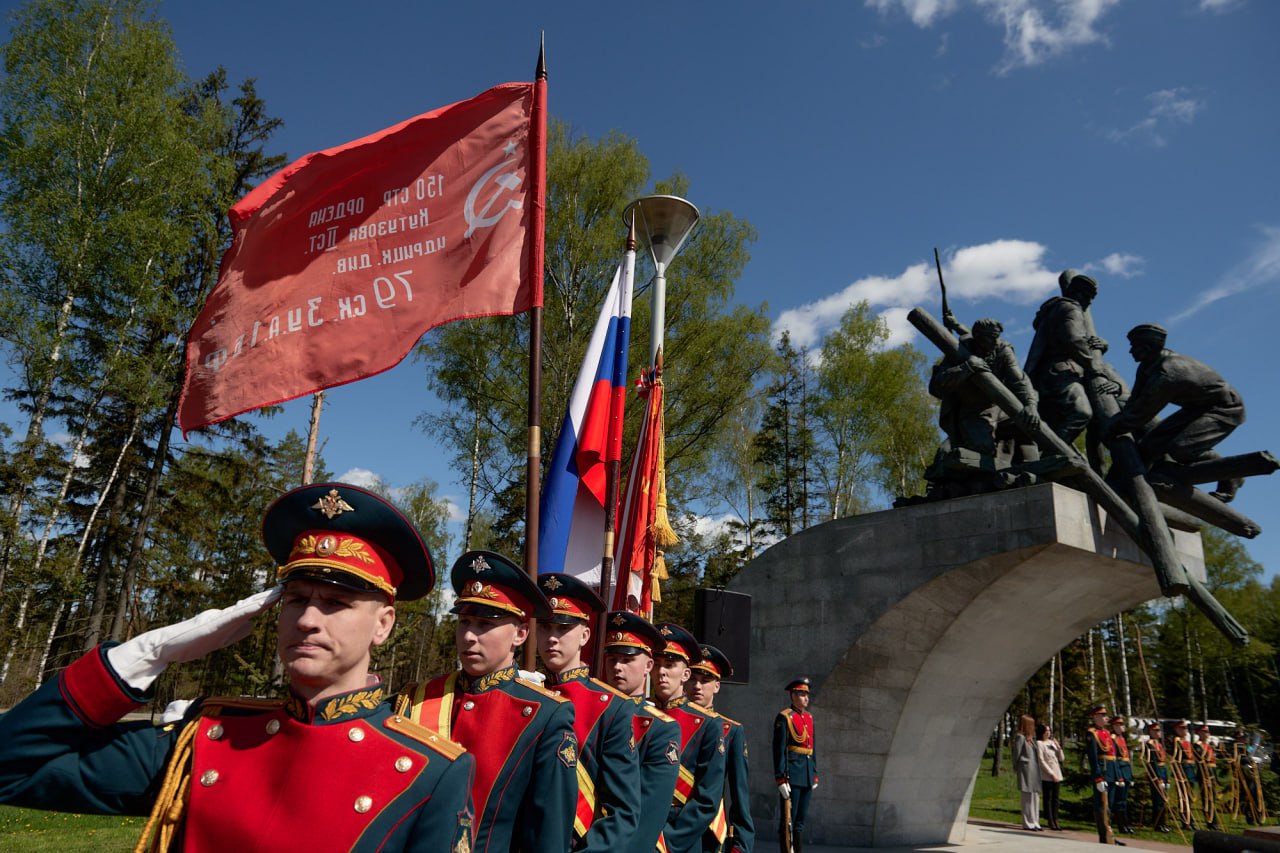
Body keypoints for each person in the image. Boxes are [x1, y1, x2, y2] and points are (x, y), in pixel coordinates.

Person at [0, 481, 475, 852]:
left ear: (383, 624)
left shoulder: (430, 770)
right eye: (296, 598)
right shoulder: (205, 740)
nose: (308, 620)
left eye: (335, 602)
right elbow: (10, 768)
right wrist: (145, 656)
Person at [399, 550, 578, 853]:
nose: (469, 635)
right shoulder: (417, 697)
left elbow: (547, 835)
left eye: (484, 624)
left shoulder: (545, 715)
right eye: (465, 621)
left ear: (520, 634)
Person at [535, 573, 641, 851]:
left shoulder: (611, 707)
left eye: (562, 628)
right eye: (545, 628)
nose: (552, 638)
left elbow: (622, 811)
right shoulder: (528, 695)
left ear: (584, 635)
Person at [1104, 324, 1247, 502]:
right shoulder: (1147, 365)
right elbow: (1136, 400)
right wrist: (1118, 419)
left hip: (1225, 408)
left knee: (1181, 449)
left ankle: (1231, 474)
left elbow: (1144, 411)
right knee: (1150, 443)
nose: (1130, 351)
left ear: (1147, 348)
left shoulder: (1169, 372)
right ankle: (1127, 484)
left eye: (1135, 347)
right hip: (1196, 407)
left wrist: (1113, 428)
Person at [601, 611, 682, 853]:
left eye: (626, 660)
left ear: (648, 665)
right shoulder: (594, 713)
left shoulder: (660, 727)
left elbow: (647, 814)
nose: (617, 667)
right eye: (612, 658)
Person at [653, 622, 729, 853]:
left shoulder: (708, 724)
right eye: (656, 664)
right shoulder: (637, 713)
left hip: (678, 839)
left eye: (669, 665)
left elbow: (707, 800)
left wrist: (667, 842)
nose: (662, 672)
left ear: (685, 674)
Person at [1024, 271, 1121, 444]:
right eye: (1087, 295)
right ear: (1076, 293)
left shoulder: (1057, 309)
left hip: (1054, 373)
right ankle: (1052, 454)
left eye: (1092, 297)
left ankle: (1055, 452)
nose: (1089, 301)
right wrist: (1094, 365)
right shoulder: (1070, 308)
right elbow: (1074, 340)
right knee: (1081, 412)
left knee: (1061, 420)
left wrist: (1100, 346)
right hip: (1062, 371)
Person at [688, 643, 755, 853]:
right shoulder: (668, 723)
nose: (697, 686)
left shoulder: (731, 731)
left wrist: (741, 844)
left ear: (716, 686)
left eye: (705, 680)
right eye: (693, 679)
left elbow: (739, 793)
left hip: (709, 832)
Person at [773, 677, 818, 853]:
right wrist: (780, 778)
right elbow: (778, 750)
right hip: (792, 774)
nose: (805, 698)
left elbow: (814, 749)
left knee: (800, 822)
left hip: (806, 775)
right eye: (801, 694)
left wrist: (814, 773)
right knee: (787, 820)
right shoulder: (785, 717)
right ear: (793, 695)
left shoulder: (809, 718)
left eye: (807, 694)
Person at [1084, 704, 1123, 846]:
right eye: (1103, 716)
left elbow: (1113, 755)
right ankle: (1104, 835)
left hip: (1111, 772)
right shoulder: (1092, 733)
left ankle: (1109, 833)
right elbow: (1093, 757)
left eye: (1106, 716)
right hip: (1103, 772)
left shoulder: (1107, 733)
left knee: (1110, 805)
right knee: (1101, 805)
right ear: (1095, 717)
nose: (1106, 718)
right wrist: (1098, 777)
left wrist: (1118, 775)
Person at [1140, 722, 1172, 833]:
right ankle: (1158, 824)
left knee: (1163, 801)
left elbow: (1164, 763)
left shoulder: (1159, 744)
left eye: (1159, 731)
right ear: (1151, 732)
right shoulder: (1149, 744)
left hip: (1162, 772)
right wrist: (1158, 778)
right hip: (1156, 774)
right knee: (1158, 800)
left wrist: (1166, 777)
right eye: (1156, 731)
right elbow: (1153, 763)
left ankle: (1163, 823)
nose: (1159, 733)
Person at [1012, 715, 1043, 831]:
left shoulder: (1032, 739)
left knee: (1035, 796)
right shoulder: (1020, 737)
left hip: (1034, 770)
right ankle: (1028, 822)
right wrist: (1016, 766)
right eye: (1032, 725)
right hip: (1026, 769)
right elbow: (1017, 754)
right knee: (1027, 796)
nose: (1033, 727)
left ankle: (1035, 821)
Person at [1170, 720, 1200, 830]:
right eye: (1182, 728)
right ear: (1177, 730)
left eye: (1185, 728)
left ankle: (1190, 820)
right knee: (1183, 798)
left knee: (1189, 798)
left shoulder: (1186, 742)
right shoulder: (1177, 741)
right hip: (1183, 771)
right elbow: (1176, 759)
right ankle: (1185, 821)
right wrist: (1178, 773)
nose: (1185, 730)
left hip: (1190, 772)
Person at [1035, 724, 1065, 831]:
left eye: (1049, 730)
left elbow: (1061, 759)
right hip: (1047, 775)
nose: (1048, 732)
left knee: (1056, 799)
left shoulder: (1052, 743)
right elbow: (1041, 761)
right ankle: (1050, 820)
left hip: (1057, 773)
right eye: (1046, 731)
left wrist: (1059, 748)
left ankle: (1056, 819)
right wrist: (1051, 774)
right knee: (1048, 798)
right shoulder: (1039, 744)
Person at [1110, 716, 1136, 835]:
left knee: (1123, 801)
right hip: (1119, 771)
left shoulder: (1122, 738)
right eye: (1119, 725)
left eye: (1122, 725)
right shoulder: (1113, 738)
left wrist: (1130, 776)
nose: (1122, 727)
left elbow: (1127, 758)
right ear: (1114, 726)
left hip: (1125, 772)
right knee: (1119, 801)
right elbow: (1114, 759)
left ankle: (1125, 824)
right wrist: (1119, 776)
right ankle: (1121, 825)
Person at [1194, 723, 1220, 828]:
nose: (1207, 734)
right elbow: (1201, 759)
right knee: (1207, 798)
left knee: (1212, 798)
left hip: (1212, 772)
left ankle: (1213, 819)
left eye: (1207, 732)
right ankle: (1210, 820)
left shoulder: (1208, 745)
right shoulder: (1198, 745)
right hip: (1204, 773)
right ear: (1199, 733)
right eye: (1204, 732)